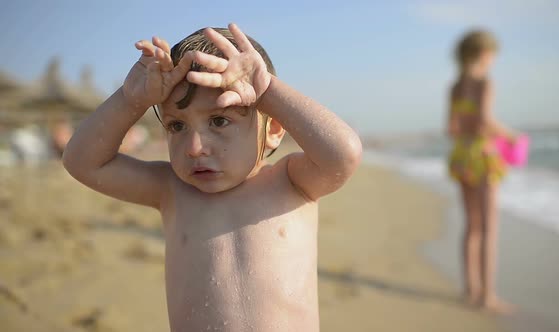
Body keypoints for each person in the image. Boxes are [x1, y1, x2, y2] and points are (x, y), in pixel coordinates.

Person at [63, 23, 362, 331]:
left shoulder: (292, 183)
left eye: (219, 120)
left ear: (272, 130)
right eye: (177, 126)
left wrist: (267, 91)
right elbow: (82, 162)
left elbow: (343, 154)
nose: (194, 148)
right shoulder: (170, 189)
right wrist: (131, 100)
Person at [446, 30, 517, 314]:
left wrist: (466, 127)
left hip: (461, 156)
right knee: (490, 228)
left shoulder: (454, 86)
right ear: (484, 53)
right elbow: (486, 119)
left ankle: (470, 289)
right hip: (483, 156)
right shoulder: (485, 82)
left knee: (471, 226)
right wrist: (510, 135)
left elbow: (450, 128)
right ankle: (488, 296)